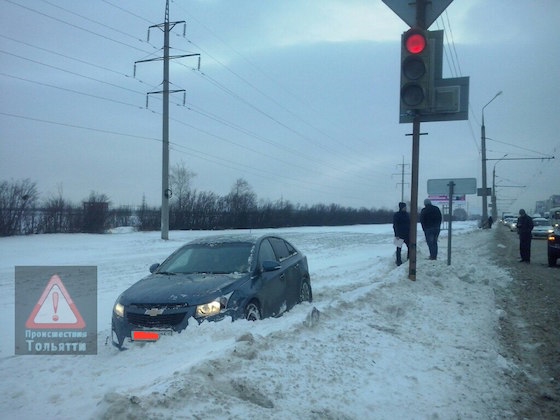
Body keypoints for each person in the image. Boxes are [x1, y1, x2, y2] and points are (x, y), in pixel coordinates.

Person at [392, 202, 410, 266]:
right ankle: (398, 261)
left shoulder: (407, 215)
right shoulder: (397, 215)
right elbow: (395, 225)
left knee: (410, 247)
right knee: (399, 248)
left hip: (407, 234)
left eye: (405, 207)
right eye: (404, 207)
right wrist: (396, 234)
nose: (405, 208)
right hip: (399, 234)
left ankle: (409, 258)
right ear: (401, 208)